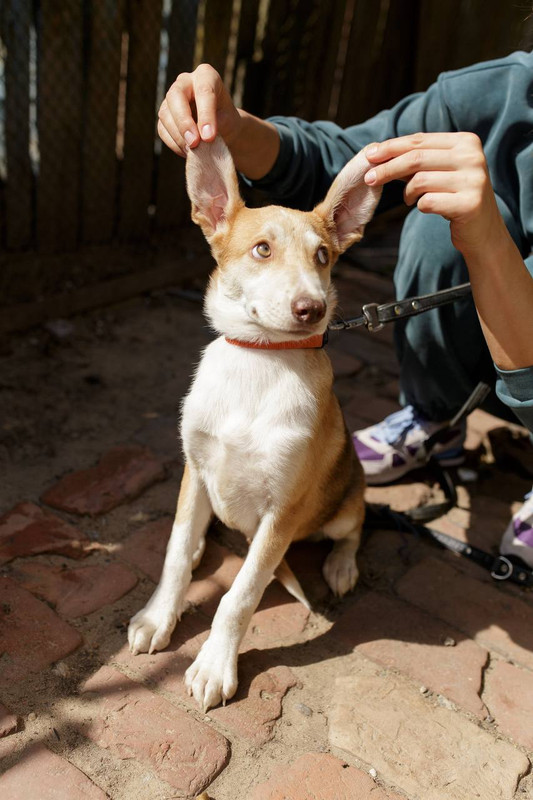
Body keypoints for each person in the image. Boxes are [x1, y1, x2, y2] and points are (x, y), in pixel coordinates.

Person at [157, 53, 533, 565]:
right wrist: (236, 127)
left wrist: (489, 238)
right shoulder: (502, 87)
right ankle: (437, 412)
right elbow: (350, 158)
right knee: (434, 216)